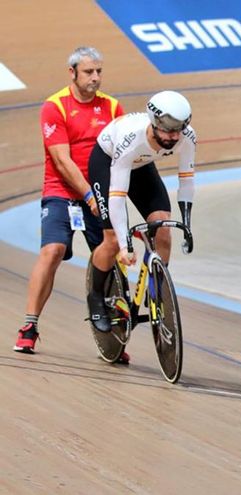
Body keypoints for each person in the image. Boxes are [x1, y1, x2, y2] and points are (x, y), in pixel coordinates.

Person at [14, 47, 124, 355]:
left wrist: (107, 196)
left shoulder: (113, 107)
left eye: (99, 71)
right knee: (53, 250)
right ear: (72, 73)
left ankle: (114, 331)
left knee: (111, 251)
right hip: (62, 191)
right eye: (89, 72)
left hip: (99, 192)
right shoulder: (55, 106)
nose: (96, 78)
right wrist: (88, 194)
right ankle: (29, 325)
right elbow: (62, 161)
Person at [86, 91, 196, 336]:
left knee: (163, 229)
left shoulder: (186, 137)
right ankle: (95, 298)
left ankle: (156, 292)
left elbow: (186, 180)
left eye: (179, 129)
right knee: (113, 240)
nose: (174, 137)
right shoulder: (130, 138)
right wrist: (125, 245)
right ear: (154, 122)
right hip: (108, 163)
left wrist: (186, 225)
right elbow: (116, 196)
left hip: (141, 166)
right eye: (168, 130)